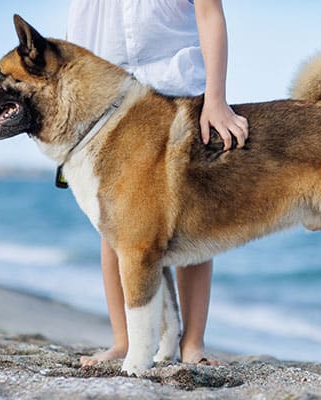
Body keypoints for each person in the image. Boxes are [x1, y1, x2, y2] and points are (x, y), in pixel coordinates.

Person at [66, 0, 249, 366]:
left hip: (178, 81)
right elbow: (79, 25)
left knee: (196, 213)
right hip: (109, 90)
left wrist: (216, 99)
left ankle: (192, 344)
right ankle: (123, 341)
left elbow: (209, 12)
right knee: (114, 225)